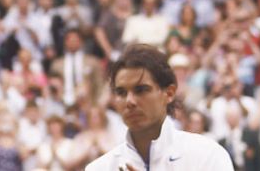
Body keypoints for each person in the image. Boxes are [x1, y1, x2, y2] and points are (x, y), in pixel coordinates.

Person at [85, 44, 233, 170]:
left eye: (141, 90)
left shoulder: (207, 156)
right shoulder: (99, 168)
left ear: (169, 93)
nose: (129, 101)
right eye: (121, 93)